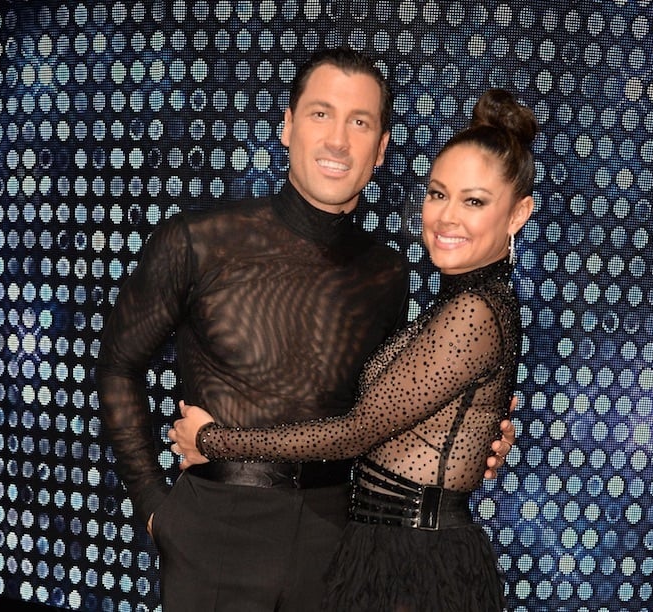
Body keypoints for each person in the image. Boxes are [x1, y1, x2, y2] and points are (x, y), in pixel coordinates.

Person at [96, 47, 515, 612]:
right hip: (214, 530)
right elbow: (118, 366)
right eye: (321, 114)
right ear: (287, 126)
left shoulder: (388, 273)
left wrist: (468, 438)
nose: (338, 140)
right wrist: (155, 507)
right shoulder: (197, 240)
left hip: (339, 540)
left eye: (359, 122)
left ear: (381, 149)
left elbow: (377, 416)